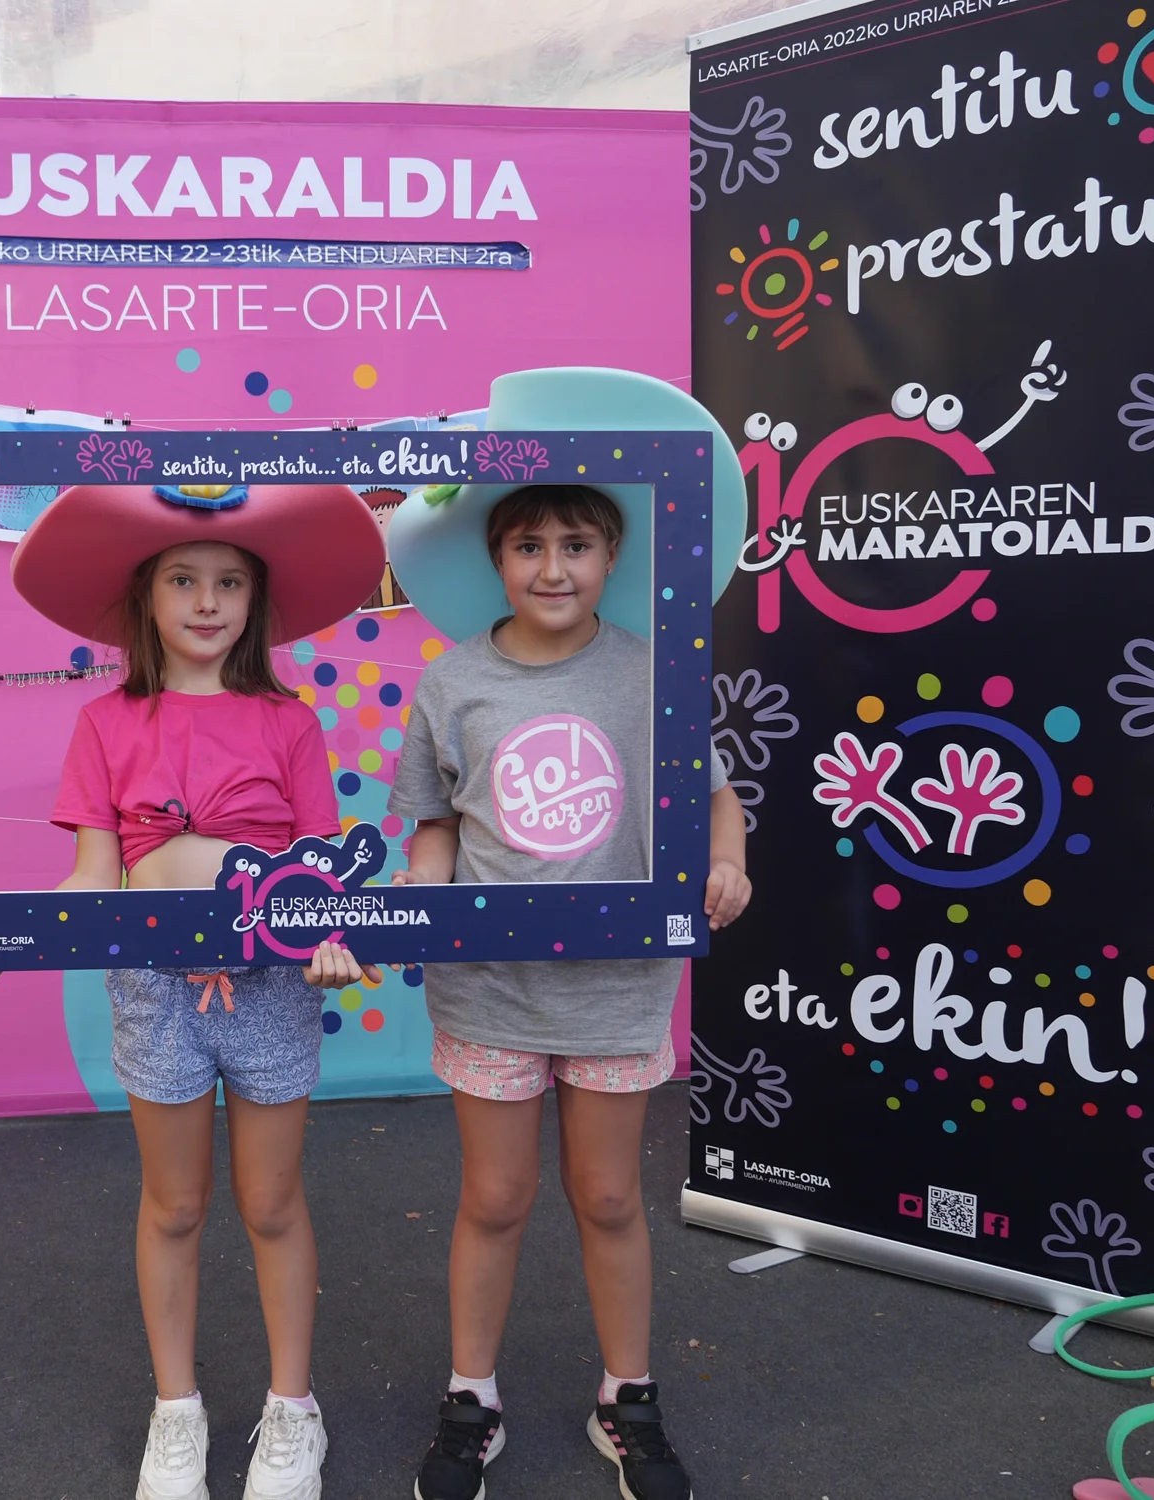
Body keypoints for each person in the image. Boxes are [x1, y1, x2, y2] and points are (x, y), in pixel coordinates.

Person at [0, 481, 387, 1500]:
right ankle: (175, 1410)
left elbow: (320, 878)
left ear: (255, 600)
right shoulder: (104, 722)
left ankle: (292, 1410)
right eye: (182, 579)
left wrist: (332, 940)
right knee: (174, 1205)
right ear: (145, 596)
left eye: (228, 581)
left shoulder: (289, 723)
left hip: (271, 990)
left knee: (270, 1201)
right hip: (153, 992)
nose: (206, 600)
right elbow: (94, 880)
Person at [382, 369, 753, 1500]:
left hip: (616, 988)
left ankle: (625, 1397)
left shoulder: (653, 670)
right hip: (490, 987)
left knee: (607, 1198)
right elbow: (435, 825)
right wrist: (422, 900)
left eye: (576, 545)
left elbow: (718, 801)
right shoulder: (452, 683)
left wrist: (727, 861)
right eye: (529, 546)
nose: (553, 568)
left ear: (612, 556)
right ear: (495, 560)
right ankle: (471, 1397)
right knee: (493, 1200)